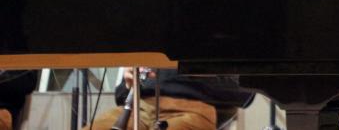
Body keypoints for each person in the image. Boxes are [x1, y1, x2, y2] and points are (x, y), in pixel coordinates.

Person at [83, 67, 253, 130]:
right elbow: (120, 95)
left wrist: (186, 76)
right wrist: (128, 82)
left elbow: (245, 93)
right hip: (138, 106)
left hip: (193, 108)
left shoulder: (223, 29)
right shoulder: (152, 26)